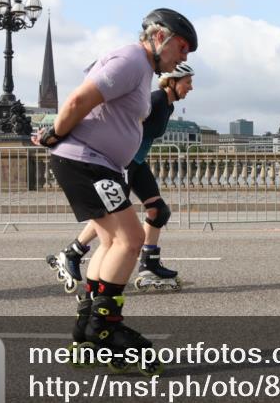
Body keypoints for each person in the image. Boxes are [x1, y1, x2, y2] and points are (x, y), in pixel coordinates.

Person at [34, 8, 196, 373]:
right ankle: (105, 329)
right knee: (131, 239)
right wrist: (56, 132)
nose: (183, 58)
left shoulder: (138, 67)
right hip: (87, 160)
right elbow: (79, 99)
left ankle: (86, 333)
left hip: (95, 162)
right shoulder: (131, 61)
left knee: (111, 243)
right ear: (160, 38)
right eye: (182, 48)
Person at [47, 62, 195, 293]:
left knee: (158, 211)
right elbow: (124, 123)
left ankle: (149, 265)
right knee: (114, 216)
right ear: (173, 82)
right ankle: (73, 252)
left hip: (137, 163)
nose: (191, 87)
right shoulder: (155, 101)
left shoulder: (168, 107)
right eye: (188, 82)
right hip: (124, 163)